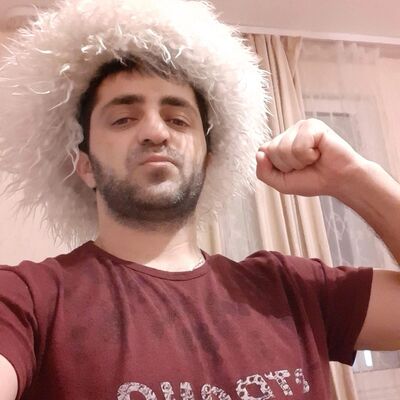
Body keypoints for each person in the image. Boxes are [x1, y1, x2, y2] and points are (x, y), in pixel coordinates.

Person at [0, 1, 399, 399]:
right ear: (85, 166)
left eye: (178, 120)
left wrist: (356, 178)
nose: (155, 132)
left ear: (208, 161)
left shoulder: (291, 288)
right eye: (123, 119)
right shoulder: (27, 300)